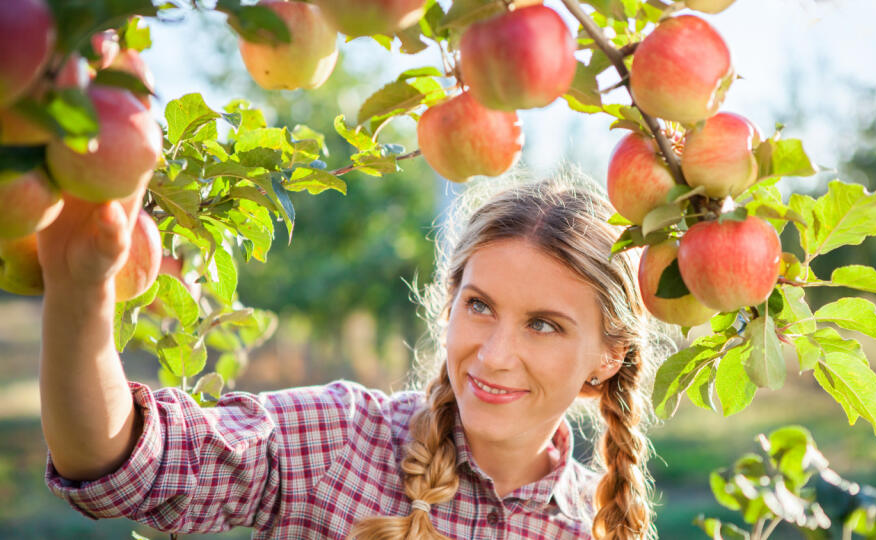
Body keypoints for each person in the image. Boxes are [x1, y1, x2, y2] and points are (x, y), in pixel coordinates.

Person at [39, 171, 670, 539]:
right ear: (449, 304)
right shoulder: (343, 441)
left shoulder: (596, 524)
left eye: (544, 325)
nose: (496, 355)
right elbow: (125, 466)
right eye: (479, 306)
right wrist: (79, 290)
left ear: (608, 356)